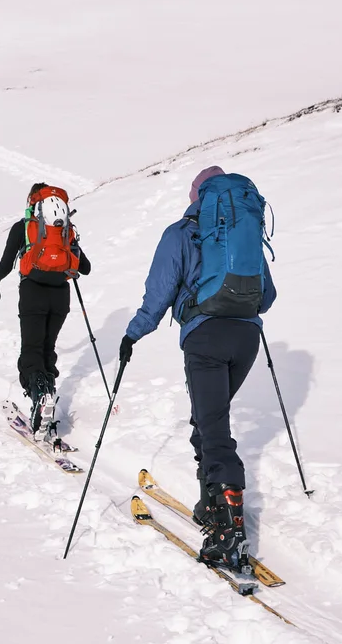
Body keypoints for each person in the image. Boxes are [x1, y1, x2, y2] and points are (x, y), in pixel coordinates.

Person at [117, 166, 276, 590]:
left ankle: (228, 533)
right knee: (207, 421)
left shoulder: (180, 234)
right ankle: (211, 505)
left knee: (215, 430)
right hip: (246, 337)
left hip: (204, 338)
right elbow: (269, 295)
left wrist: (132, 335)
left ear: (197, 197)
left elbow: (158, 294)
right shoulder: (244, 230)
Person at [0, 184, 93, 438]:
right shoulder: (65, 230)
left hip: (32, 293)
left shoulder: (24, 227)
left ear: (32, 203)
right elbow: (85, 268)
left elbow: (5, 266)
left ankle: (40, 398)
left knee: (31, 350)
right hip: (60, 298)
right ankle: (47, 399)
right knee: (47, 348)